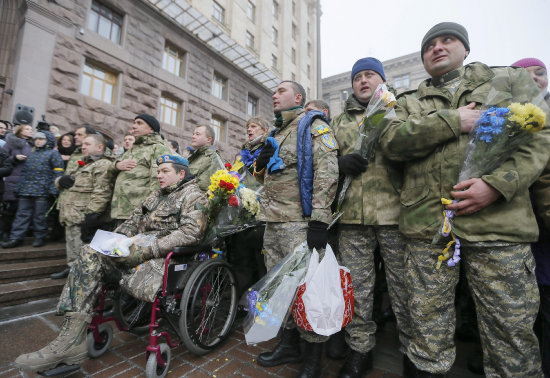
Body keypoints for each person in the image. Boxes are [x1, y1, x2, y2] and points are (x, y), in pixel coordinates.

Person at [379, 22, 549, 377]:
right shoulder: (407, 101)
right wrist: (452, 120)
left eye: (448, 40)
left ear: (465, 48)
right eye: (429, 45)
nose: (438, 48)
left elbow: (539, 138)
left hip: (498, 226)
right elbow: (392, 142)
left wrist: (497, 185)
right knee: (427, 332)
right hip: (429, 229)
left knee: (511, 334)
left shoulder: (506, 81)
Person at [13, 154, 208, 373]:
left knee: (94, 257)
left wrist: (148, 250)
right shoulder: (155, 195)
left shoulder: (194, 196)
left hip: (163, 258)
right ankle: (71, 339)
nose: (158, 175)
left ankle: (70, 342)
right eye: (158, 171)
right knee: (89, 252)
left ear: (181, 173)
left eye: (165, 171)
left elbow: (191, 233)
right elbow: (133, 221)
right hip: (133, 251)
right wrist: (116, 241)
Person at [331, 57, 410, 377]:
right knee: (358, 290)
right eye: (358, 77)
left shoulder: (399, 110)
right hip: (352, 220)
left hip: (394, 215)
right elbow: (323, 160)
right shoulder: (339, 121)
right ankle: (360, 349)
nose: (363, 81)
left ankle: (412, 352)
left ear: (382, 80)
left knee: (404, 290)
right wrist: (339, 163)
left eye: (370, 75)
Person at [253, 80, 339, 377]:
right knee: (279, 290)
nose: (273, 95)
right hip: (273, 222)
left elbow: (327, 173)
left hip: (298, 224)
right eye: (273, 91)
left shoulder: (313, 126)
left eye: (280, 91)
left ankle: (313, 359)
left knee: (305, 290)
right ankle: (288, 344)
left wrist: (319, 220)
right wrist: (260, 165)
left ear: (298, 97)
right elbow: (265, 180)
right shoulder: (276, 132)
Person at [515, 57, 550, 378]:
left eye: (540, 73)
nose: (534, 78)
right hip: (523, 229)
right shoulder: (504, 117)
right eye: (524, 74)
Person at [51, 134, 115, 279]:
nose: (83, 146)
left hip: (83, 214)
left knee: (82, 249)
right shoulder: (83, 163)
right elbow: (66, 182)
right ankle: (71, 268)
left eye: (87, 144)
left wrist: (92, 214)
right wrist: (60, 181)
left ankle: (80, 275)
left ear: (100, 147)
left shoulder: (103, 164)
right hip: (71, 213)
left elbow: (102, 191)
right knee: (72, 245)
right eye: (83, 144)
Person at [224, 117, 270, 297]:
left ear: (265, 130)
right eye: (247, 127)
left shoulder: (269, 148)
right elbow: (235, 176)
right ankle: (240, 301)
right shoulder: (243, 152)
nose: (249, 129)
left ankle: (261, 303)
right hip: (240, 214)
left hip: (260, 216)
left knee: (260, 262)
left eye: (254, 126)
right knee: (240, 260)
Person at [1, 131, 64, 248]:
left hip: (43, 191)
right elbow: (24, 172)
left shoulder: (53, 154)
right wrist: (19, 186)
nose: (38, 141)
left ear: (48, 140)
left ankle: (40, 237)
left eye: (41, 139)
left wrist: (53, 188)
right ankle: (15, 238)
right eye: (36, 139)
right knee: (21, 215)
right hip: (26, 189)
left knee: (39, 216)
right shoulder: (31, 153)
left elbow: (58, 173)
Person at [110, 114, 172, 226]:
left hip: (137, 212)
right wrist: (117, 165)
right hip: (119, 210)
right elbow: (109, 171)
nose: (134, 126)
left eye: (139, 123)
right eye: (134, 123)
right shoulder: (133, 149)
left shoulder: (157, 148)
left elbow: (158, 182)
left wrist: (148, 211)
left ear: (151, 128)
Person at [0, 124, 34, 241]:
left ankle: (14, 234)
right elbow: (3, 159)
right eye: (27, 129)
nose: (30, 131)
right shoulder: (11, 143)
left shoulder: (32, 145)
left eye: (31, 129)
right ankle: (4, 232)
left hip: (26, 181)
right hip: (12, 178)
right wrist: (15, 158)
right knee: (10, 207)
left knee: (21, 209)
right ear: (20, 130)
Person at [187, 125, 224, 192]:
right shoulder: (197, 156)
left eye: (197, 134)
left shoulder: (212, 157)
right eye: (193, 134)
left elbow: (204, 186)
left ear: (209, 139)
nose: (193, 136)